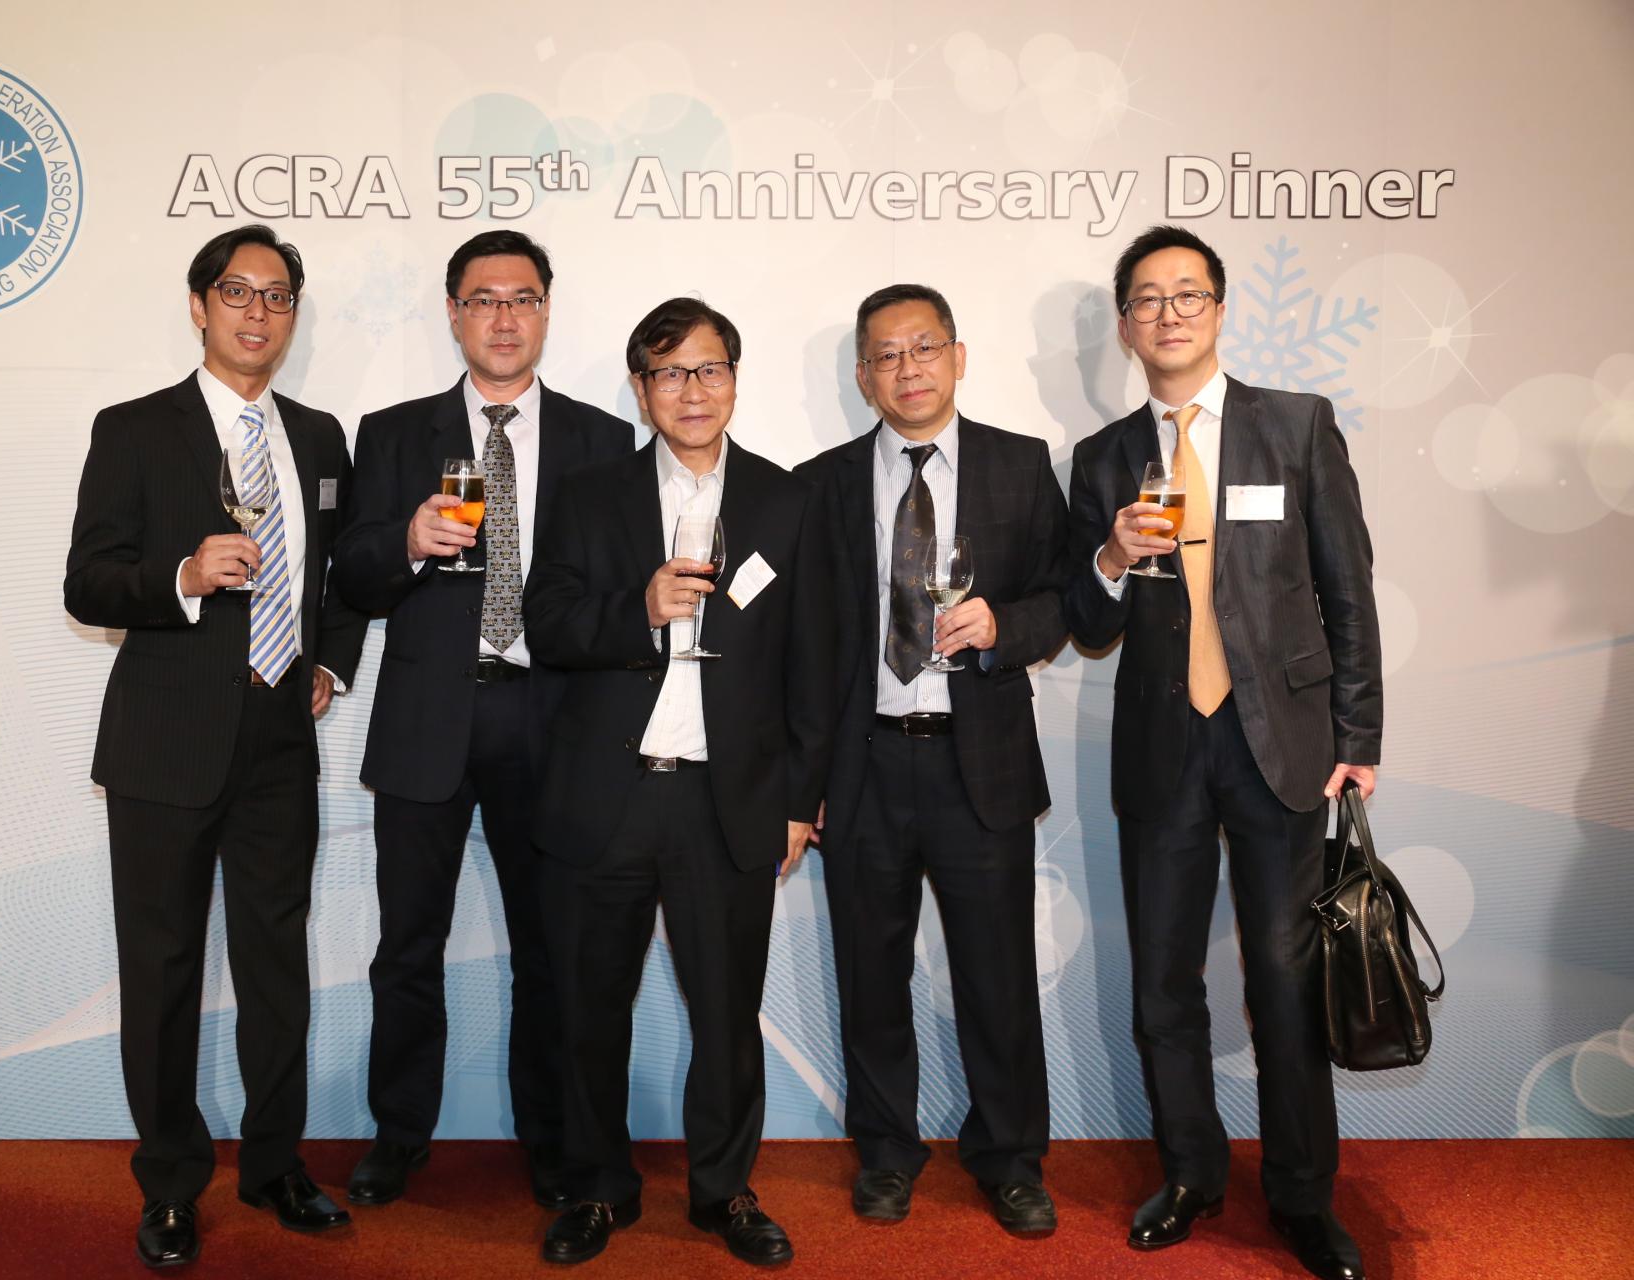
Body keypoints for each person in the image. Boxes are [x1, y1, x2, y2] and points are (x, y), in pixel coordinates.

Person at [1063, 225, 1382, 1280]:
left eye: (1187, 294)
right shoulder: (1104, 456)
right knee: (1164, 980)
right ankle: (1192, 1173)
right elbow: (1087, 621)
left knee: (1286, 980)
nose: (1168, 314)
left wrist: (1359, 735)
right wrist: (1111, 554)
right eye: (1147, 300)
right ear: (1125, 326)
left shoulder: (1295, 425)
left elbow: (1347, 589)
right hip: (1163, 748)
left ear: (1219, 308)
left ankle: (1301, 1197)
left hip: (1279, 744)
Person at [64, 225, 366, 1268]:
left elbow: (339, 576)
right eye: (236, 291)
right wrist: (184, 578)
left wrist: (330, 664)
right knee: (162, 970)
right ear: (199, 307)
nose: (257, 312)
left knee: (277, 965)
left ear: (293, 316)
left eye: (277, 295)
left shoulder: (319, 437)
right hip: (164, 744)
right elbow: (87, 582)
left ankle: (276, 1163)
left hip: (281, 738)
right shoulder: (135, 429)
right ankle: (170, 1184)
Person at [523, 297, 836, 1267]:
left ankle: (723, 1190)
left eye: (708, 369)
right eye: (669, 372)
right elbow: (547, 625)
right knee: (588, 1010)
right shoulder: (589, 495)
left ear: (734, 379)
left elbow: (815, 664)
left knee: (728, 1014)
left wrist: (799, 801)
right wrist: (640, 608)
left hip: (727, 801)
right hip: (606, 794)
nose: (691, 390)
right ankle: (595, 1187)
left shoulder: (787, 500)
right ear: (641, 387)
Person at [330, 230, 633, 1210]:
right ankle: (398, 1136)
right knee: (407, 949)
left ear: (546, 311)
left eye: (523, 298)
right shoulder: (391, 433)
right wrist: (406, 542)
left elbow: (613, 592)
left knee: (550, 952)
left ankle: (550, 1141)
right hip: (428, 719)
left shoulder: (600, 439)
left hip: (553, 723)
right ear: (454, 313)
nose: (504, 317)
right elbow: (352, 576)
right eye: (484, 299)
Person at [795, 283, 1068, 1234]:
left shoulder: (1020, 466)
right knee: (871, 974)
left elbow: (1063, 601)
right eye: (886, 354)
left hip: (977, 761)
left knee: (998, 977)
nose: (906, 368)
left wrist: (1004, 627)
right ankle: (885, 1151)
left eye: (923, 348)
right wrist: (804, 781)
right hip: (862, 762)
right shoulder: (822, 482)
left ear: (958, 356)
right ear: (862, 375)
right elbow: (805, 644)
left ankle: (1011, 1158)